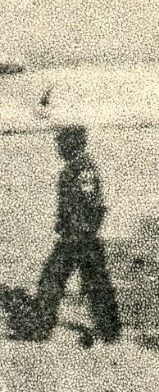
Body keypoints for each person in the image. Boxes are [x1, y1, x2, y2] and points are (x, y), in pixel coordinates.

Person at [33, 125, 121, 343]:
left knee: (53, 280)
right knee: (93, 283)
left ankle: (42, 327)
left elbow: (95, 205)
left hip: (79, 239)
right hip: (77, 237)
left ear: (72, 144)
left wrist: (83, 232)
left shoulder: (82, 169)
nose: (58, 148)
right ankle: (110, 331)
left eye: (61, 143)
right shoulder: (76, 167)